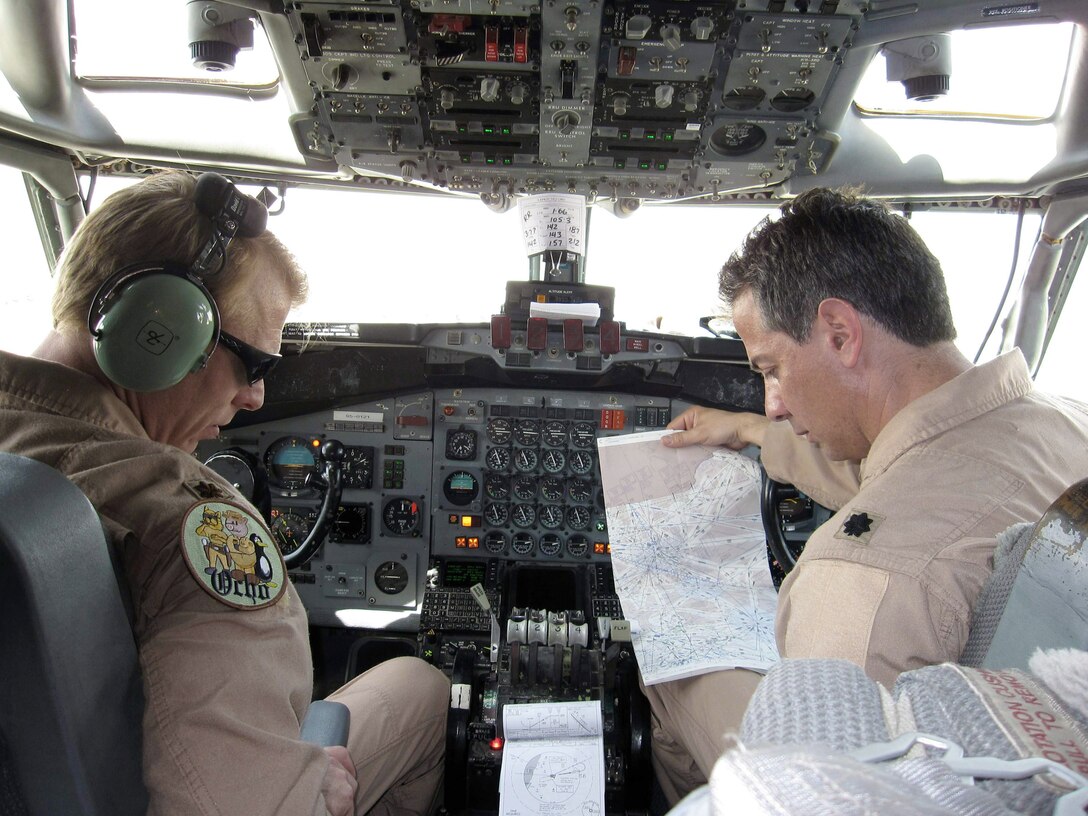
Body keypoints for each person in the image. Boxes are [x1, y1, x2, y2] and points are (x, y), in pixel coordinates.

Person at [0, 171, 448, 815]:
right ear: (159, 333)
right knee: (420, 684)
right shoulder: (191, 529)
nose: (258, 398)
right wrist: (300, 779)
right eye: (253, 364)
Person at [642, 187, 1088, 804]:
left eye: (772, 370)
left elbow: (824, 790)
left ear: (841, 334)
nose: (772, 403)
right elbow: (900, 473)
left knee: (671, 667)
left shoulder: (860, 577)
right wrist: (747, 430)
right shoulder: (1059, 419)